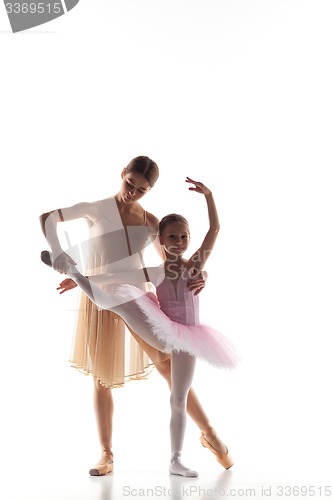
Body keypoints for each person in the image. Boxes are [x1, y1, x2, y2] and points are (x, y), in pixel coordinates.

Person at [40, 157, 232, 476]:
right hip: (100, 297)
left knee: (169, 368)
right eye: (130, 183)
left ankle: (209, 433)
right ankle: (106, 454)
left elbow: (173, 266)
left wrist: (203, 274)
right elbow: (48, 218)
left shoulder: (152, 224)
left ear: (150, 189)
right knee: (102, 378)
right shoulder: (97, 208)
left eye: (141, 189)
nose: (133, 192)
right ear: (122, 174)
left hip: (139, 297)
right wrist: (62, 257)